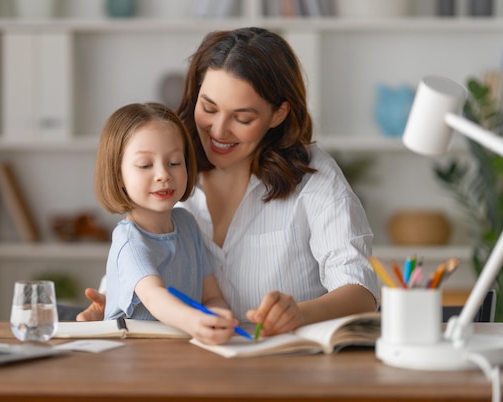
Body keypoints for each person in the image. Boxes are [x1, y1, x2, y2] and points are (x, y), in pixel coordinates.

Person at [77, 27, 380, 337]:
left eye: (242, 118)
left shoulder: (315, 178)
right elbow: (135, 266)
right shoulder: (169, 168)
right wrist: (110, 304)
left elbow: (361, 292)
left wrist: (299, 314)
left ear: (278, 114)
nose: (219, 130)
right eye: (208, 108)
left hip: (286, 367)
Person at [94, 102, 238, 345]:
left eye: (174, 162)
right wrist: (195, 322)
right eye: (145, 165)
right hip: (134, 357)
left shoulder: (188, 224)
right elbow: (154, 298)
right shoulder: (129, 240)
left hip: (181, 351)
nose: (164, 175)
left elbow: (210, 295)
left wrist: (218, 314)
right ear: (119, 176)